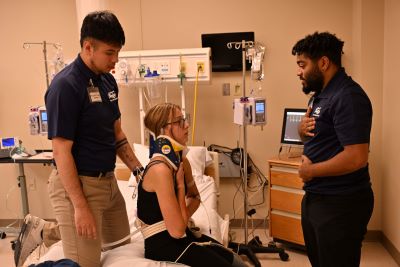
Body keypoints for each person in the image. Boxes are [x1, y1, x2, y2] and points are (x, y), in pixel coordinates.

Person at [15, 11, 143, 267]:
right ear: (88, 46)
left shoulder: (107, 82)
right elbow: (61, 151)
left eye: (118, 52)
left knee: (123, 255)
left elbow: (117, 133)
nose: (115, 60)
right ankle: (43, 236)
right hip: (77, 186)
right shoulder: (65, 87)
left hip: (107, 184)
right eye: (109, 52)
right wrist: (80, 207)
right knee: (84, 265)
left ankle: (47, 231)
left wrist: (139, 171)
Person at [292, 31, 374, 267]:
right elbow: (322, 139)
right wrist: (301, 132)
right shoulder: (320, 96)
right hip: (318, 197)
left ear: (324, 62)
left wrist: (311, 171)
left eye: (302, 65)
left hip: (341, 203)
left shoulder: (348, 97)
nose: (298, 72)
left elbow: (357, 157)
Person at [137, 103, 245, 267]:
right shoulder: (160, 169)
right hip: (163, 246)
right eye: (180, 121)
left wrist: (181, 217)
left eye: (185, 119)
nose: (187, 125)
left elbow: (195, 197)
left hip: (183, 236)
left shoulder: (181, 162)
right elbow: (177, 230)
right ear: (164, 129)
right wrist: (180, 188)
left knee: (236, 260)